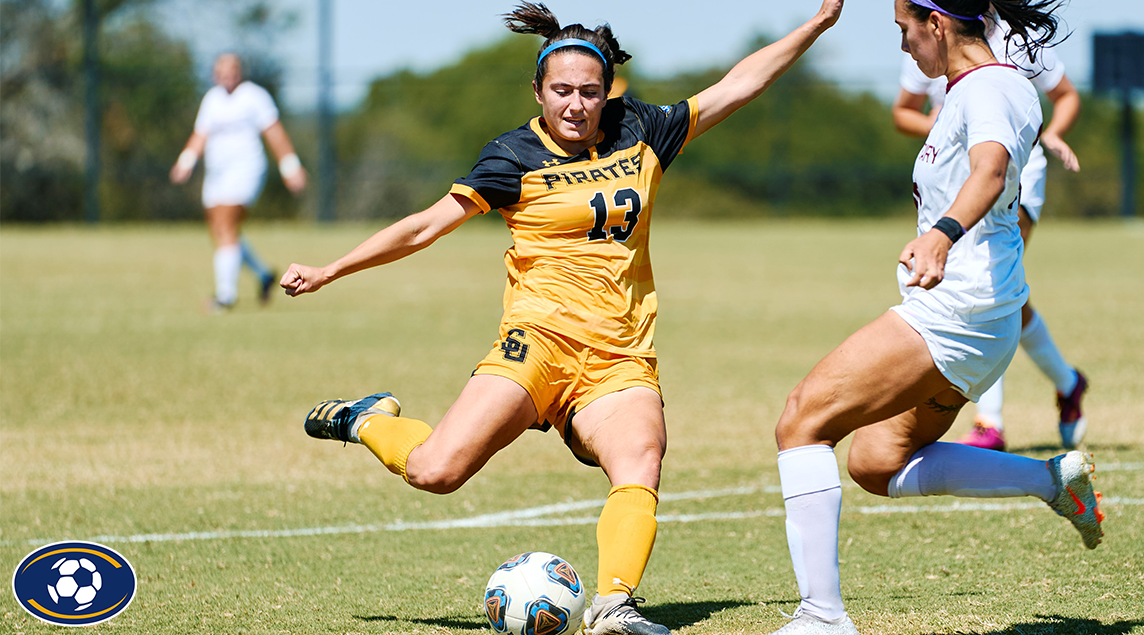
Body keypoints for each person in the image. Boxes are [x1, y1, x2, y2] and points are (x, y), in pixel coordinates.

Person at [279, 2, 843, 634]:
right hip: (537, 345)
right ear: (539, 90)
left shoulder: (643, 130)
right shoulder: (512, 156)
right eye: (563, 91)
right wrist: (333, 268)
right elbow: (423, 227)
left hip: (619, 355)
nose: (576, 105)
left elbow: (740, 84)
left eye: (590, 92)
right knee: (436, 471)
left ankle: (614, 605)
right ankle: (365, 421)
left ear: (608, 93)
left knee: (641, 459)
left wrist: (816, 24)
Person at [769, 2, 1102, 633]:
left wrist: (943, 233)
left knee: (801, 420)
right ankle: (1051, 480)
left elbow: (991, 170)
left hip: (958, 310)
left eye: (905, 31)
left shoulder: (990, 87)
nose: (904, 47)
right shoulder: (978, 88)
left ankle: (822, 617)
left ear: (938, 24)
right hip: (978, 315)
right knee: (875, 464)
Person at [892, 12, 1087, 451]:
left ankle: (989, 422)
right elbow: (902, 113)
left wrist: (1050, 134)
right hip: (959, 170)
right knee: (1004, 290)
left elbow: (1067, 96)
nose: (904, 39)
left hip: (1014, 173)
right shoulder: (925, 32)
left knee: (990, 278)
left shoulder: (1016, 39)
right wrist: (951, 129)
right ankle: (1068, 383)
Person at [170, 53, 307, 313]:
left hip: (246, 171)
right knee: (221, 232)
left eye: (232, 70)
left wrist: (290, 166)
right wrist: (185, 161)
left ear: (239, 72)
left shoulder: (254, 96)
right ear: (214, 74)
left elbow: (274, 132)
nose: (227, 76)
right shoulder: (211, 99)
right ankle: (264, 274)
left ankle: (226, 296)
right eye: (221, 71)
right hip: (216, 174)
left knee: (226, 224)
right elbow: (201, 134)